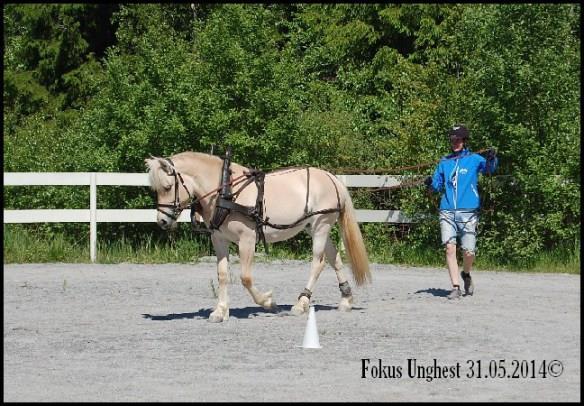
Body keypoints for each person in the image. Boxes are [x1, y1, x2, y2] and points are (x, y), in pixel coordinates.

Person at [424, 124, 498, 299]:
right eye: (453, 140)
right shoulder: (445, 161)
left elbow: (490, 169)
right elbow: (437, 185)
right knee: (449, 248)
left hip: (468, 211)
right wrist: (429, 184)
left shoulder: (474, 159)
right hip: (447, 210)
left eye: (458, 140)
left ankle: (466, 274)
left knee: (469, 252)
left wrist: (492, 158)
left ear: (464, 141)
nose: (455, 142)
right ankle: (455, 286)